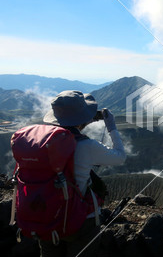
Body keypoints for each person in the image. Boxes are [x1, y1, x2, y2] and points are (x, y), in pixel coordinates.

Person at [39, 90, 126, 257]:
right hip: (79, 221)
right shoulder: (86, 146)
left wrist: (83, 120)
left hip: (45, 217)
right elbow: (120, 157)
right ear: (82, 119)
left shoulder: (42, 142)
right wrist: (112, 128)